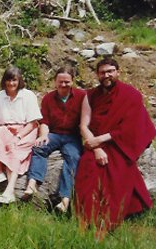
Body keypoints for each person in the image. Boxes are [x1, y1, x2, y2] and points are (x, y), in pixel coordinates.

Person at [75, 58, 156, 238]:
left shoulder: (131, 95)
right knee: (86, 172)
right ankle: (85, 219)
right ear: (97, 75)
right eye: (103, 72)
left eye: (110, 71)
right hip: (95, 144)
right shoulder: (89, 96)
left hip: (118, 144)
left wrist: (100, 140)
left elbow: (129, 127)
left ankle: (106, 223)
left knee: (117, 174)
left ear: (118, 72)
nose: (107, 75)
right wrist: (95, 147)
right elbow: (83, 126)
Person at [23, 66, 86, 212]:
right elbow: (45, 122)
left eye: (67, 82)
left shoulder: (82, 97)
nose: (63, 85)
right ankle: (32, 184)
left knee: (74, 158)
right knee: (39, 148)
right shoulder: (48, 98)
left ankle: (64, 199)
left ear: (72, 81)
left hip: (73, 136)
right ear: (55, 82)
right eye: (60, 82)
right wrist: (43, 135)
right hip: (55, 134)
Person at [0, 66, 42, 204]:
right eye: (8, 80)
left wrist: (18, 137)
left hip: (26, 130)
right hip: (5, 129)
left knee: (14, 149)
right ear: (4, 81)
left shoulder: (28, 95)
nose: (11, 84)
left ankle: (9, 191)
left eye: (14, 80)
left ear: (19, 80)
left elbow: (33, 123)